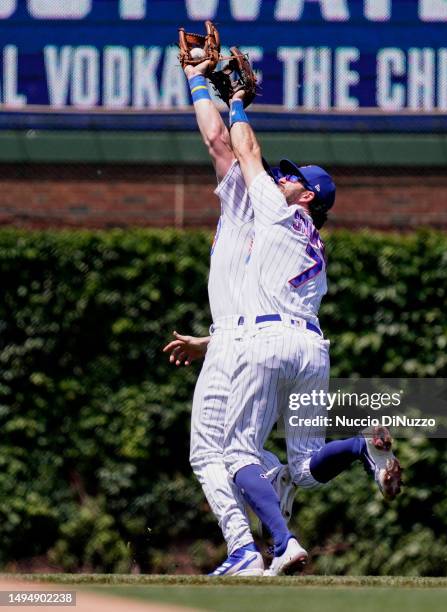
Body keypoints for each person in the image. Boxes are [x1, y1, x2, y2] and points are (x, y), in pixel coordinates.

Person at [221, 88, 402, 575]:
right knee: (302, 469)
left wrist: (235, 102)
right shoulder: (315, 242)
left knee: (234, 451)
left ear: (306, 196)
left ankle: (282, 544)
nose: (283, 178)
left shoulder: (280, 212)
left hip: (269, 340)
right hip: (311, 348)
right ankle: (360, 446)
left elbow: (246, 151)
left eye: (294, 178)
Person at [163, 57, 293, 577]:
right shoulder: (285, 224)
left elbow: (220, 140)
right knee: (239, 449)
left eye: (287, 178)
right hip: (245, 340)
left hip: (240, 345)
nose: (274, 178)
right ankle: (271, 475)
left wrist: (201, 81)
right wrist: (208, 340)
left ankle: (242, 550)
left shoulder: (251, 201)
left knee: (206, 453)